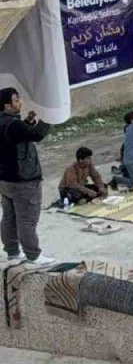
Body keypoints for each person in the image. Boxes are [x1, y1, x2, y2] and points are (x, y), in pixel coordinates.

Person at [0, 88, 53, 264]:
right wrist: (49, 117)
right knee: (27, 220)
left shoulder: (5, 123)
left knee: (9, 217)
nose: (20, 102)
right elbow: (36, 135)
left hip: (6, 180)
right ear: (7, 106)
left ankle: (13, 252)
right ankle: (33, 255)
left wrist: (28, 122)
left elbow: (16, 137)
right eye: (16, 100)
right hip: (23, 181)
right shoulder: (13, 124)